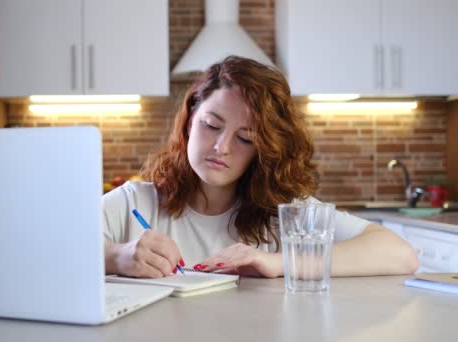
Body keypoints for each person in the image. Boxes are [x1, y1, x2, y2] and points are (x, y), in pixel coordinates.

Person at [103, 55, 419, 279]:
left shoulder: (284, 214)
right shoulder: (134, 202)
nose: (221, 147)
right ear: (188, 121)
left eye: (245, 138)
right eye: (211, 125)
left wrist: (279, 262)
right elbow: (54, 248)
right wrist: (116, 257)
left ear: (263, 150)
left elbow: (399, 253)